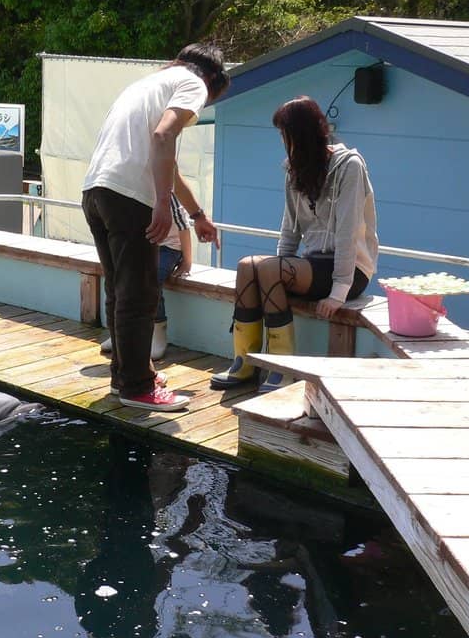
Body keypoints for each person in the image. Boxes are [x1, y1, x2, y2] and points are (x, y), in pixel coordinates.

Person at [83, 43, 227, 412]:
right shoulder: (193, 82)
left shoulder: (148, 84)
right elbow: (164, 137)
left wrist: (197, 216)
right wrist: (162, 203)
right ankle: (138, 386)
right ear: (212, 80)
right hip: (129, 196)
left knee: (120, 290)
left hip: (96, 190)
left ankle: (126, 374)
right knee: (140, 294)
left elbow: (168, 164)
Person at [211, 95, 378, 392]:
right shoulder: (294, 169)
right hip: (313, 265)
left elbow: (348, 232)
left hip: (350, 271)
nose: (282, 141)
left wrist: (339, 292)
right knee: (247, 266)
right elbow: (289, 229)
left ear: (299, 134)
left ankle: (281, 368)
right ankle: (244, 362)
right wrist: (271, 271)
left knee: (265, 269)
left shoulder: (349, 165)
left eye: (284, 134)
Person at [99, 192, 192, 360]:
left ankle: (158, 333)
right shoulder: (136, 190)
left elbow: (183, 226)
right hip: (147, 245)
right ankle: (121, 335)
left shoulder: (168, 194)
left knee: (152, 279)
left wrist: (187, 260)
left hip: (170, 247)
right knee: (122, 277)